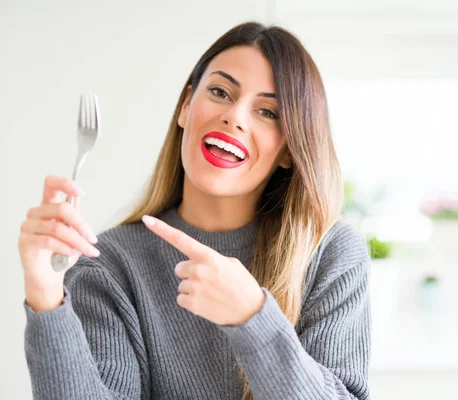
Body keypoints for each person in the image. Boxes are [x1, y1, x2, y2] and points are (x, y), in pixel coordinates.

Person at [19, 22, 371, 400]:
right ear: (187, 106)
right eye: (220, 92)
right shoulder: (109, 266)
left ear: (289, 149)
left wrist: (253, 317)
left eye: (268, 112)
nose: (235, 116)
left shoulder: (331, 253)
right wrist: (46, 294)